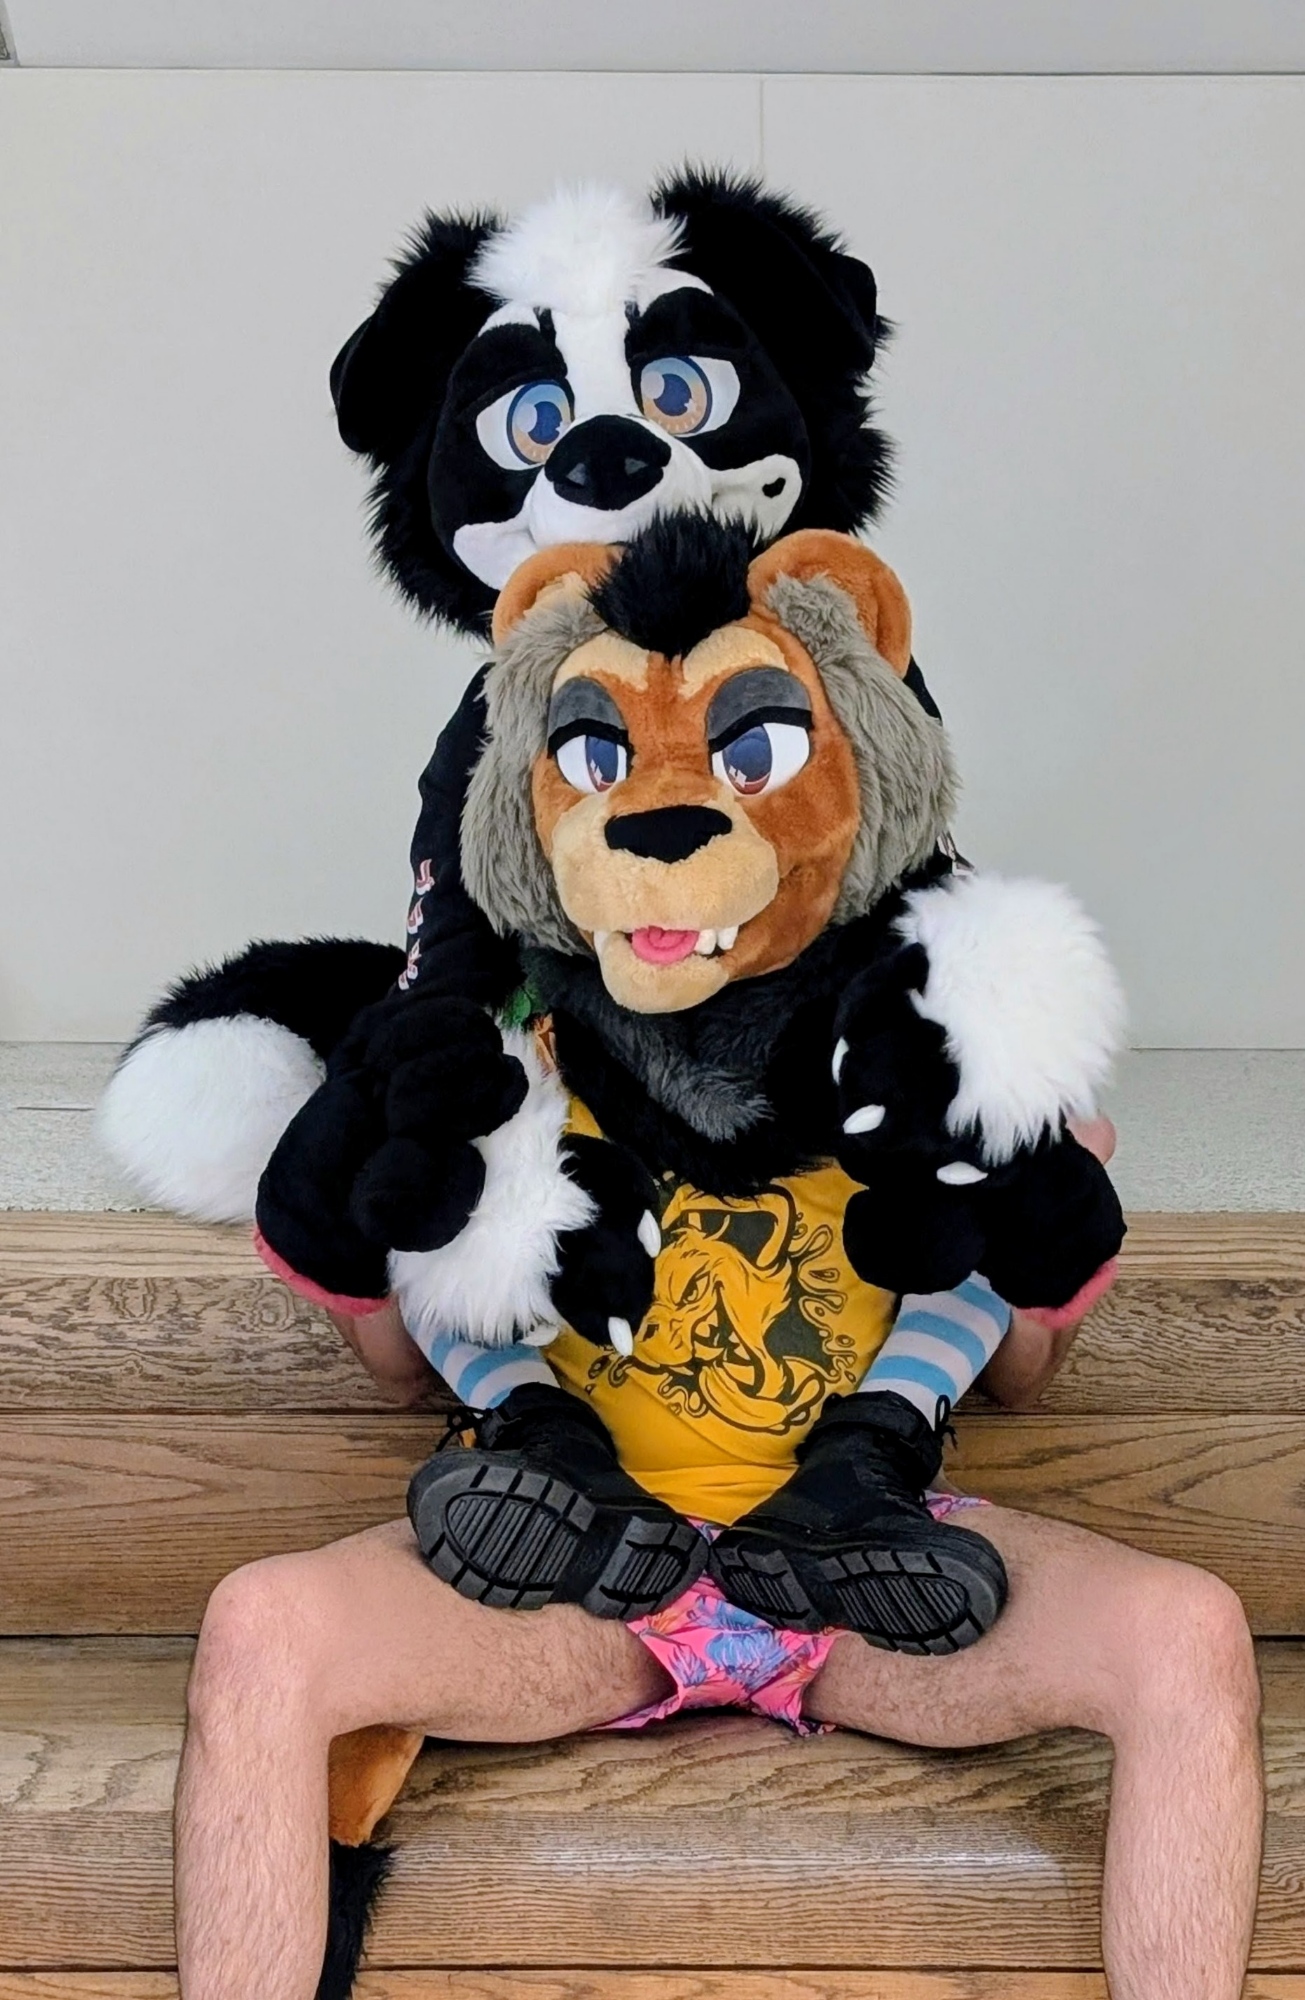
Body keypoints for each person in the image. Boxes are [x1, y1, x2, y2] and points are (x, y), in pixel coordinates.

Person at [174, 1112, 1264, 2000]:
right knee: (264, 1627)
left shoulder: (895, 1049)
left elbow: (1023, 1379)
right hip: (575, 1568)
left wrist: (1049, 1208)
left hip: (854, 1555)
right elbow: (398, 1369)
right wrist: (350, 1189)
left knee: (1187, 1631)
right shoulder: (513, 1050)